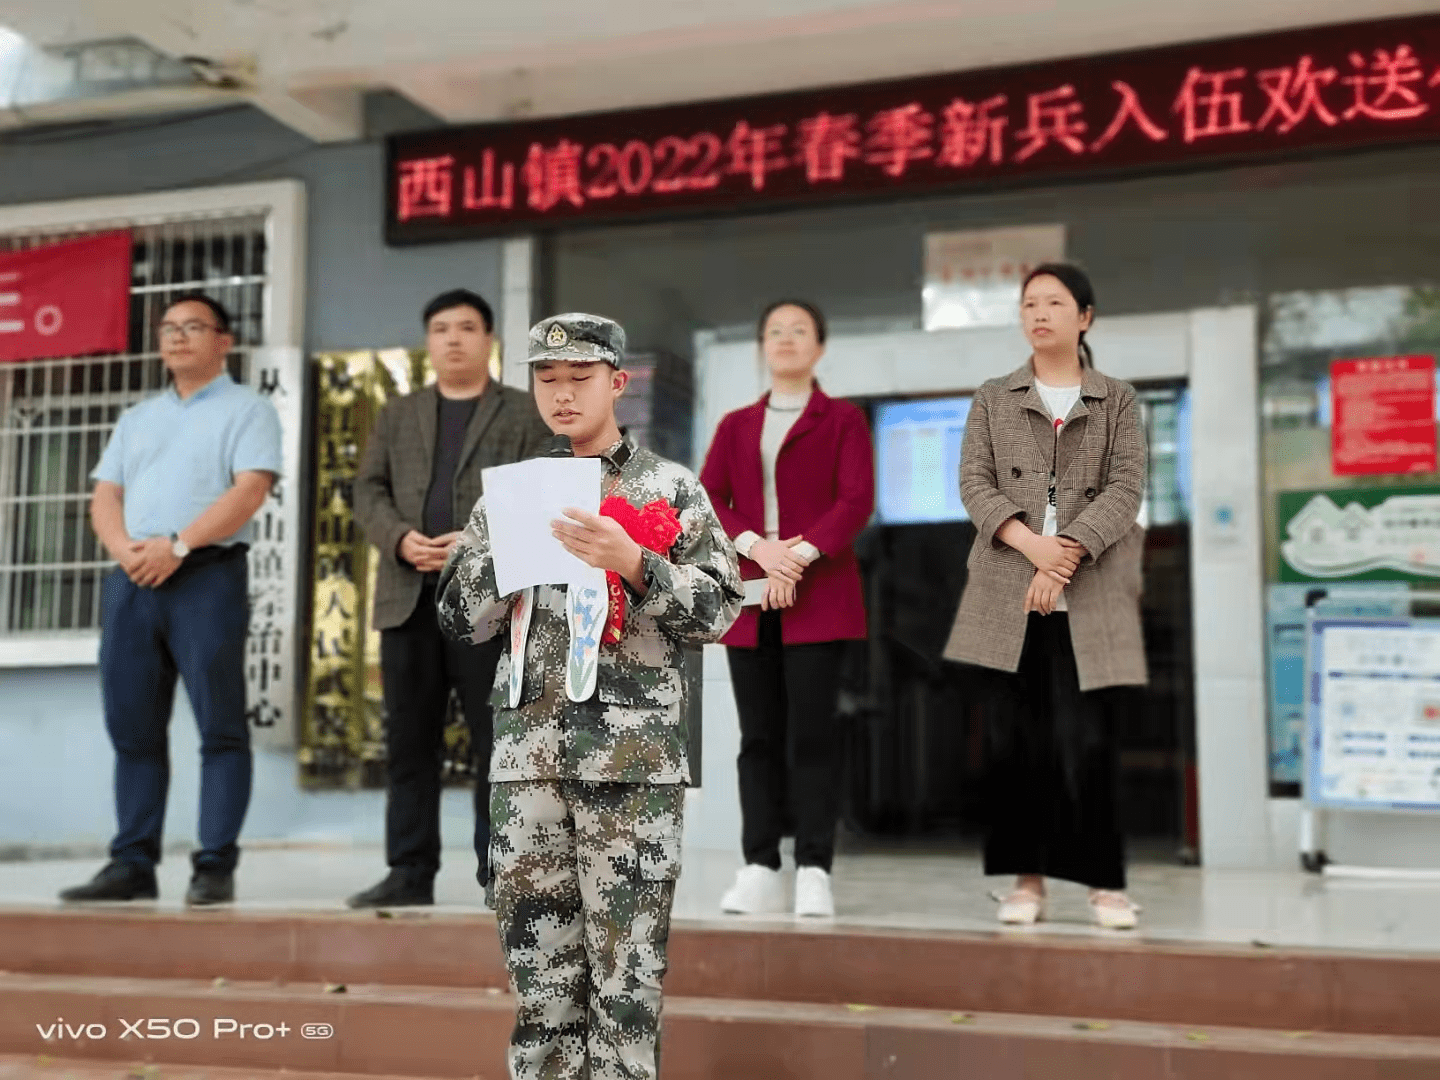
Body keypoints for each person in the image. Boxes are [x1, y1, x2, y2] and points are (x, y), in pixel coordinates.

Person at [439, 312, 742, 1079]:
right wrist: (504, 561)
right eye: (547, 379)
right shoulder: (512, 494)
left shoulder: (670, 488)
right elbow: (453, 616)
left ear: (617, 382)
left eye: (580, 379)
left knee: (626, 978)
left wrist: (636, 562)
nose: (563, 395)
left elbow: (718, 611)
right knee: (538, 977)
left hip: (631, 769)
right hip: (526, 764)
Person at [943, 263, 1148, 931]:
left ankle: (1104, 885)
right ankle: (1026, 882)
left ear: (1084, 317)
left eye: (1055, 302)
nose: (1040, 313)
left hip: (1094, 590)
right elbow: (974, 483)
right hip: (1008, 587)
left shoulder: (1116, 399)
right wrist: (1031, 546)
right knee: (1014, 743)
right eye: (1030, 302)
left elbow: (1125, 490)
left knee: (1090, 742)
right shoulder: (994, 397)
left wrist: (1061, 562)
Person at [60, 293, 282, 907]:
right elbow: (105, 496)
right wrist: (127, 550)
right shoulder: (137, 417)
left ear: (224, 341)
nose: (178, 338)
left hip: (205, 577)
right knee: (132, 727)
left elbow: (249, 490)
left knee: (219, 726)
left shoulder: (249, 409)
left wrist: (178, 546)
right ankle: (131, 862)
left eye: (194, 327)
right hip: (133, 579)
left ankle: (213, 864)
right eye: (169, 329)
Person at [349, 288, 551, 908]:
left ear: (489, 340)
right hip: (409, 599)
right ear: (429, 341)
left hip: (492, 605)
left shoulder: (523, 412)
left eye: (466, 327)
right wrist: (400, 539)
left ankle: (503, 875)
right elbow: (368, 489)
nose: (454, 338)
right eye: (441, 328)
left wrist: (480, 539)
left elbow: (543, 490)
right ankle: (409, 873)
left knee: (500, 742)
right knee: (410, 743)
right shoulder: (398, 412)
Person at [700, 300, 875, 919]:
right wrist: (757, 549)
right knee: (759, 737)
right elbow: (709, 497)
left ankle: (814, 867)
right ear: (761, 347)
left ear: (820, 347)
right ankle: (758, 863)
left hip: (817, 596)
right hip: (750, 598)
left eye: (799, 331)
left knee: (813, 736)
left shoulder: (843, 420)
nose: (786, 340)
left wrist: (794, 556)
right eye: (774, 331)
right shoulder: (735, 425)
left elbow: (855, 502)